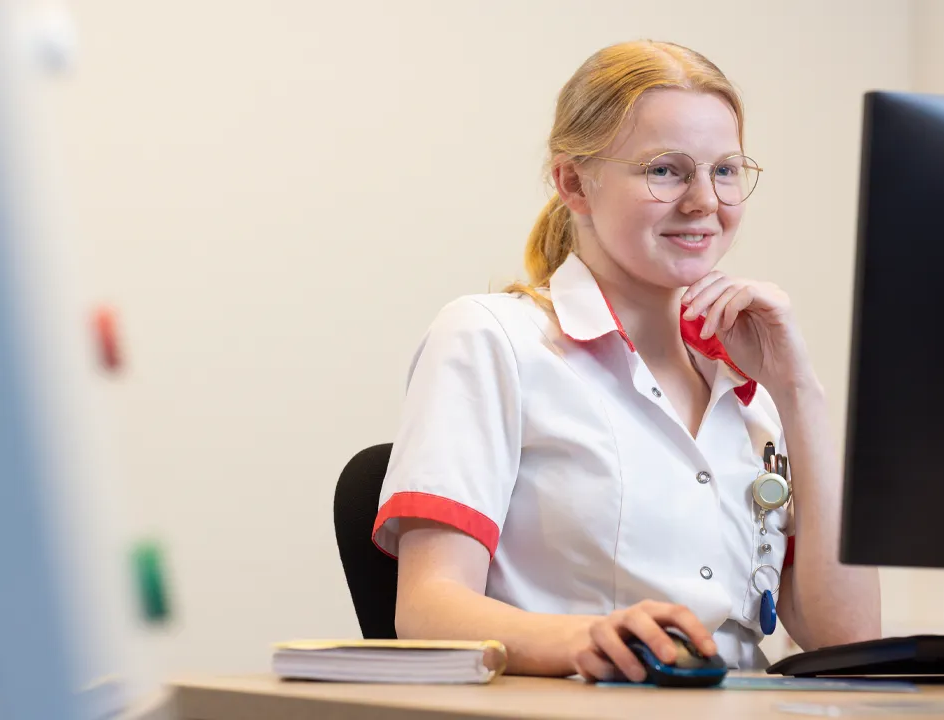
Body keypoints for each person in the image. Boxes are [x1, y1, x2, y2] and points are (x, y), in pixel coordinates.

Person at [371, 40, 881, 681]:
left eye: (725, 170)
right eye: (666, 170)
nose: (704, 201)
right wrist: (589, 639)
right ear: (572, 182)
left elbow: (853, 641)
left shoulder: (752, 386)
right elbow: (426, 610)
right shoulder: (493, 338)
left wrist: (800, 392)